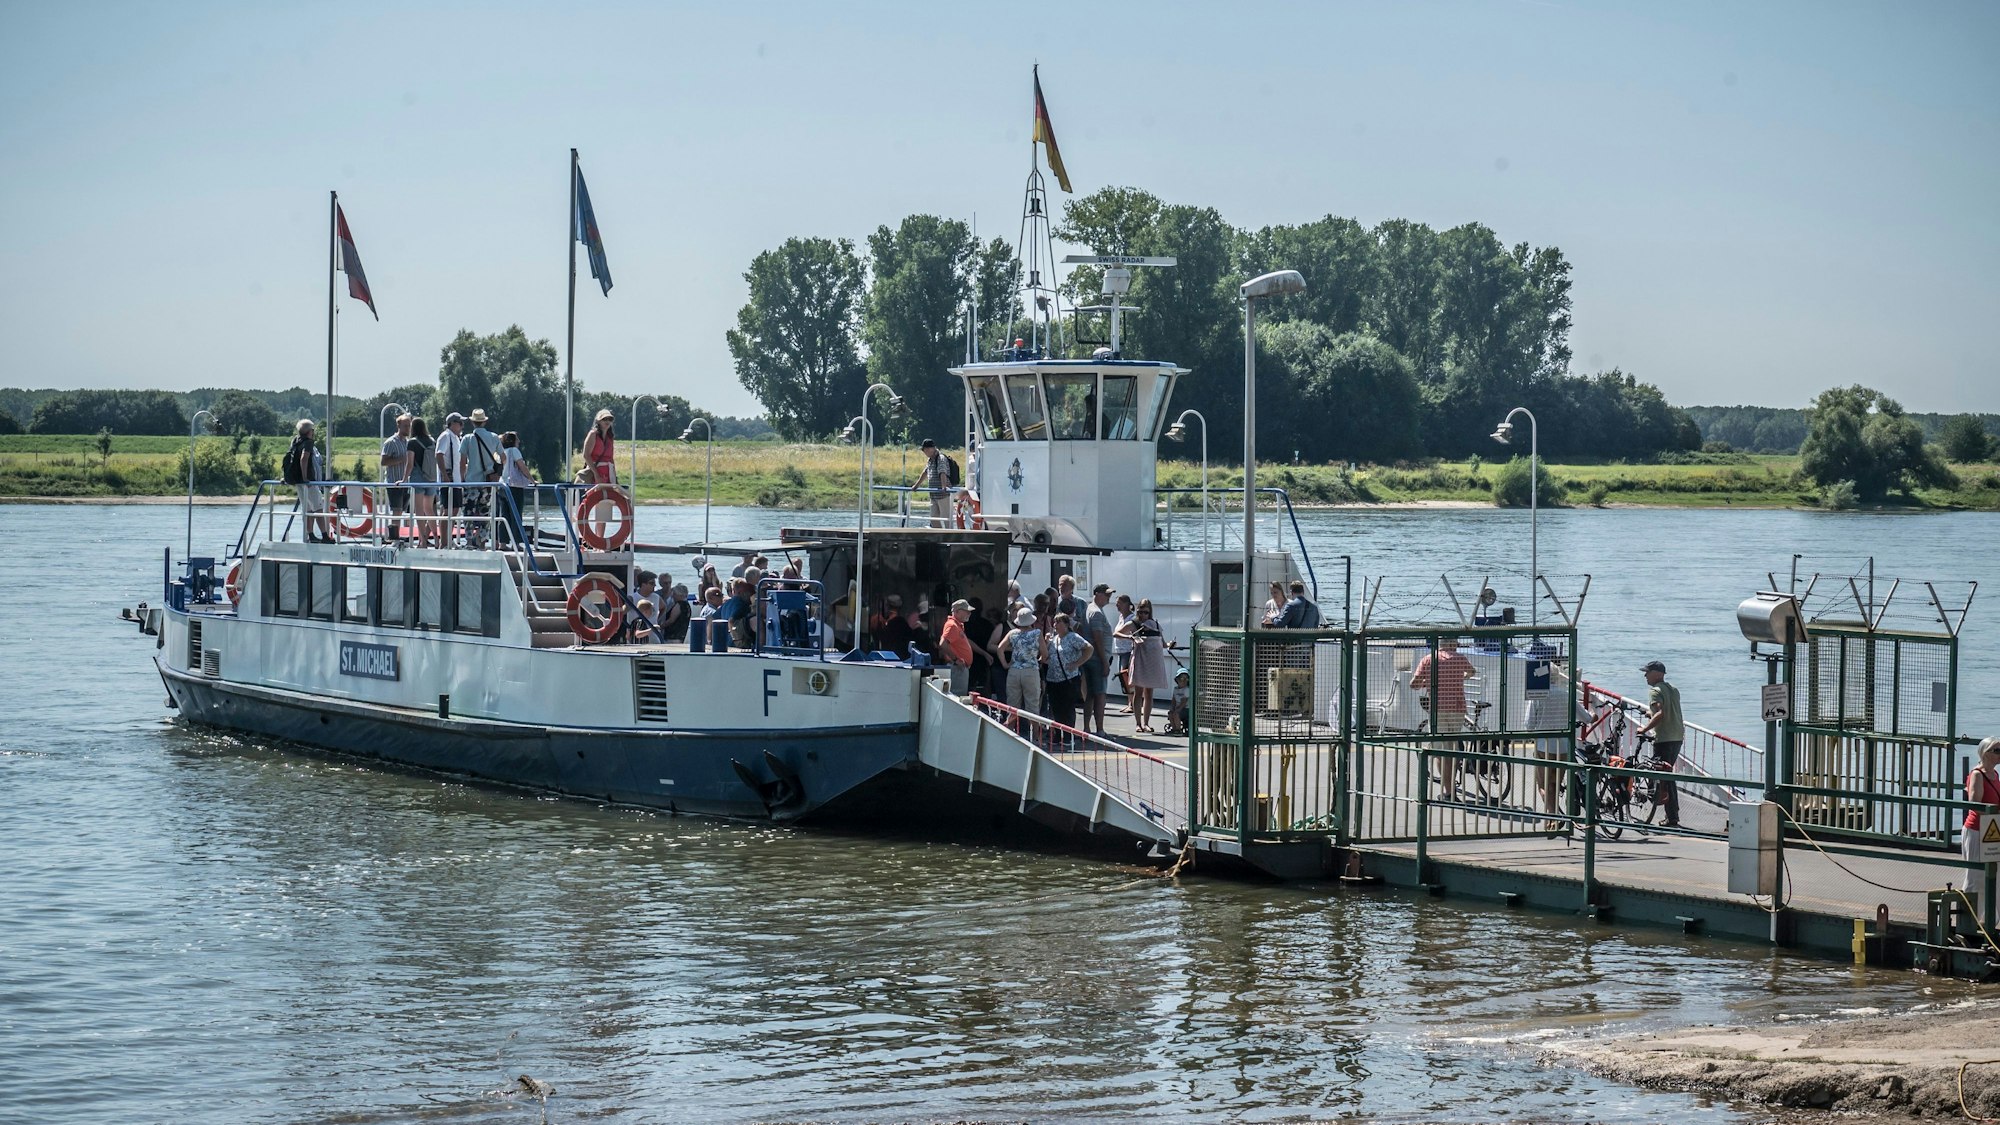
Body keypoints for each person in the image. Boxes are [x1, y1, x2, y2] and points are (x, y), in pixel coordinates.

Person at [1410, 638, 1478, 797]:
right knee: (1452, 749)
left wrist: (1426, 681)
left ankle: (1448, 792)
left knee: (1441, 751)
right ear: (1452, 644)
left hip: (1437, 709)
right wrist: (1462, 677)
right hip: (1457, 709)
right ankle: (1451, 788)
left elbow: (1413, 684)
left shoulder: (1428, 659)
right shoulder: (1460, 659)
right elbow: (1472, 671)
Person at [1633, 659, 1685, 828]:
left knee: (1663, 776)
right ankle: (1672, 814)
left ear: (1657, 674)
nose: (1645, 676)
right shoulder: (1673, 689)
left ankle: (1671, 817)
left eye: (1647, 672)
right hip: (1677, 736)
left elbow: (1661, 714)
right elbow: (1668, 711)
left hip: (1664, 738)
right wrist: (1649, 713)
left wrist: (1644, 729)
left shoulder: (1655, 692)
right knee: (1668, 776)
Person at [1118, 599, 1173, 734]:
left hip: (1153, 661)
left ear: (1150, 612)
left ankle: (1146, 723)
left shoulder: (1155, 625)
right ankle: (1138, 723)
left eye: (1146, 612)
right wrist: (1131, 638)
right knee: (1138, 692)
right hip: (1140, 660)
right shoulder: (1134, 624)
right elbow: (1117, 633)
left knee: (1149, 692)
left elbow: (1163, 643)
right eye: (1140, 611)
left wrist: (1170, 644)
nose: (1143, 615)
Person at [1043, 612, 1094, 743]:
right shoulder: (1053, 639)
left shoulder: (1073, 637)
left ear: (1066, 624)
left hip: (1068, 678)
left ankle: (1067, 736)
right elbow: (1045, 657)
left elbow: (1089, 648)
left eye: (1058, 622)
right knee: (1055, 708)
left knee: (1067, 708)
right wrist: (1046, 642)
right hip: (1053, 679)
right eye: (1054, 622)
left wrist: (1077, 663)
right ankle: (1056, 734)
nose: (1055, 625)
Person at [999, 607, 1046, 731]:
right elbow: (1045, 653)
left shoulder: (1012, 633)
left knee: (1013, 707)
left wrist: (1005, 664)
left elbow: (1000, 648)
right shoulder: (1037, 633)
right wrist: (1040, 659)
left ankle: (1009, 733)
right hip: (1030, 671)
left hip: (1014, 671)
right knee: (1032, 707)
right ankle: (1036, 738)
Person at [1965, 737, 2000, 900]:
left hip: (1992, 830)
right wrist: (1994, 816)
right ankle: (1968, 919)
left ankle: (1990, 919)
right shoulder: (1978, 775)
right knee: (1975, 875)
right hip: (1977, 830)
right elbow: (1975, 804)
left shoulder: (1995, 774)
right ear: (1985, 754)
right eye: (1997, 751)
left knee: (1994, 874)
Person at [285, 420, 330, 542]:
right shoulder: (308, 443)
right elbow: (304, 458)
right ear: (310, 432)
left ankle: (310, 535)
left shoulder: (295, 441)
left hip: (298, 482)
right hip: (307, 483)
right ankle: (325, 535)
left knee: (308, 509)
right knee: (318, 508)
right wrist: (306, 478)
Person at [1082, 583, 1117, 735]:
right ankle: (1100, 730)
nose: (1109, 597)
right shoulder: (1096, 612)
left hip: (1091, 658)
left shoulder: (1092, 609)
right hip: (1096, 659)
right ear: (1097, 594)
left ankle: (1087, 728)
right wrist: (1104, 662)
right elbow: (1098, 639)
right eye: (1106, 594)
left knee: (1090, 694)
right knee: (1100, 694)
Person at [404, 416, 439, 547]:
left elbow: (409, 464)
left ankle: (423, 540)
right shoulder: (432, 441)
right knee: (429, 509)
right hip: (431, 478)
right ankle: (436, 537)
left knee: (419, 510)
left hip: (418, 478)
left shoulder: (412, 442)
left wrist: (403, 479)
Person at [498, 431, 537, 546]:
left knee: (504, 515)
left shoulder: (502, 452)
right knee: (516, 514)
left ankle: (503, 542)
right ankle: (517, 542)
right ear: (512, 441)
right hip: (514, 486)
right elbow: (522, 466)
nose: (519, 441)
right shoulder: (514, 451)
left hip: (502, 486)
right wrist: (532, 480)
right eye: (517, 439)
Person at [436, 411, 465, 539]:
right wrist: (445, 475)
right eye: (460, 423)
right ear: (452, 424)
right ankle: (444, 541)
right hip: (449, 479)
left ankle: (448, 539)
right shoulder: (445, 436)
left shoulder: (456, 438)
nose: (462, 426)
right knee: (447, 511)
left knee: (454, 511)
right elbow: (439, 454)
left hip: (456, 481)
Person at [938, 599, 974, 695]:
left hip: (959, 668)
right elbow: (943, 643)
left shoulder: (957, 625)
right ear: (957, 611)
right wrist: (956, 660)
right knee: (957, 697)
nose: (969, 613)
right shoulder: (952, 625)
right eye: (966, 611)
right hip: (957, 668)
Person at [916, 438, 954, 527]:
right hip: (934, 495)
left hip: (943, 495)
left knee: (946, 518)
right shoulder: (930, 460)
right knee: (933, 518)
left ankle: (950, 536)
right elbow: (925, 472)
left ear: (931, 449)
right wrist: (916, 485)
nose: (924, 452)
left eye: (925, 450)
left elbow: (942, 472)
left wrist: (944, 486)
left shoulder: (940, 458)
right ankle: (939, 536)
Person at [380, 412, 411, 523]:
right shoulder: (390, 442)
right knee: (396, 511)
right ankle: (394, 537)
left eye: (409, 426)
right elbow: (383, 462)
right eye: (405, 426)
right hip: (394, 482)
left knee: (402, 511)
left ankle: (400, 535)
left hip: (406, 482)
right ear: (399, 426)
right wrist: (401, 459)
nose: (408, 428)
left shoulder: (408, 443)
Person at [1110, 593, 1136, 709]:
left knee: (1127, 676)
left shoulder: (1132, 618)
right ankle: (1129, 702)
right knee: (1124, 676)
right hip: (1120, 651)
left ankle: (1132, 703)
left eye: (1119, 604)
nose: (1117, 607)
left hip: (1128, 651)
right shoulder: (1121, 617)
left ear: (1127, 604)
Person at [583, 408, 617, 486]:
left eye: (610, 419)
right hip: (594, 470)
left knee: (610, 496)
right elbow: (586, 455)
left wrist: (614, 476)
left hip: (608, 472)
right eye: (604, 419)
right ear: (598, 421)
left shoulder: (610, 437)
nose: (607, 421)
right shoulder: (593, 434)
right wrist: (596, 474)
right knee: (594, 496)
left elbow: (611, 458)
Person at [1165, 668, 1191, 737]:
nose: (1184, 681)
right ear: (1177, 680)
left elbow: (1184, 701)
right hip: (1178, 707)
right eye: (1182, 679)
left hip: (1186, 709)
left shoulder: (1187, 690)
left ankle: (1178, 729)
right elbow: (1174, 700)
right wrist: (1172, 708)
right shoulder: (1175, 689)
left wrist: (1178, 709)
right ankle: (1174, 728)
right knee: (1171, 714)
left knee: (1176, 714)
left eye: (1186, 679)